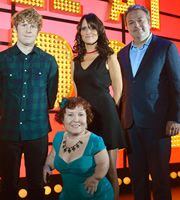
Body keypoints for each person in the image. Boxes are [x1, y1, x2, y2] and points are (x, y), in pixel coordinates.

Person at [117, 4, 180, 200]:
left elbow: (177, 85)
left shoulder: (166, 47)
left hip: (158, 123)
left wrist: (175, 118)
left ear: (149, 22)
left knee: (160, 179)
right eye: (131, 22)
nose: (136, 25)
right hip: (131, 124)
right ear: (127, 26)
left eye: (140, 20)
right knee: (137, 179)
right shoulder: (121, 54)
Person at [0, 7, 58, 200]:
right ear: (15, 27)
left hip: (37, 131)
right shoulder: (2, 59)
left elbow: (51, 98)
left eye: (32, 26)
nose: (28, 29)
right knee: (8, 187)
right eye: (23, 25)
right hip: (7, 131)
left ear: (38, 30)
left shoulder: (49, 61)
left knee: (36, 186)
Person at [71, 13, 127, 200]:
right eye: (84, 27)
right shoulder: (75, 62)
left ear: (99, 31)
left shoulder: (109, 56)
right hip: (85, 122)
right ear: (79, 32)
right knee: (88, 171)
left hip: (106, 119)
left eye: (92, 27)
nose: (88, 31)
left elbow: (118, 92)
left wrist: (111, 115)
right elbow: (77, 94)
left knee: (110, 172)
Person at [43, 97, 114, 199]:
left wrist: (95, 178)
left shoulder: (95, 141)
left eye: (80, 114)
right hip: (69, 196)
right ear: (62, 118)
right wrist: (47, 166)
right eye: (70, 114)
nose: (76, 119)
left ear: (87, 118)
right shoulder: (58, 137)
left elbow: (103, 164)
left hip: (96, 196)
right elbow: (52, 157)